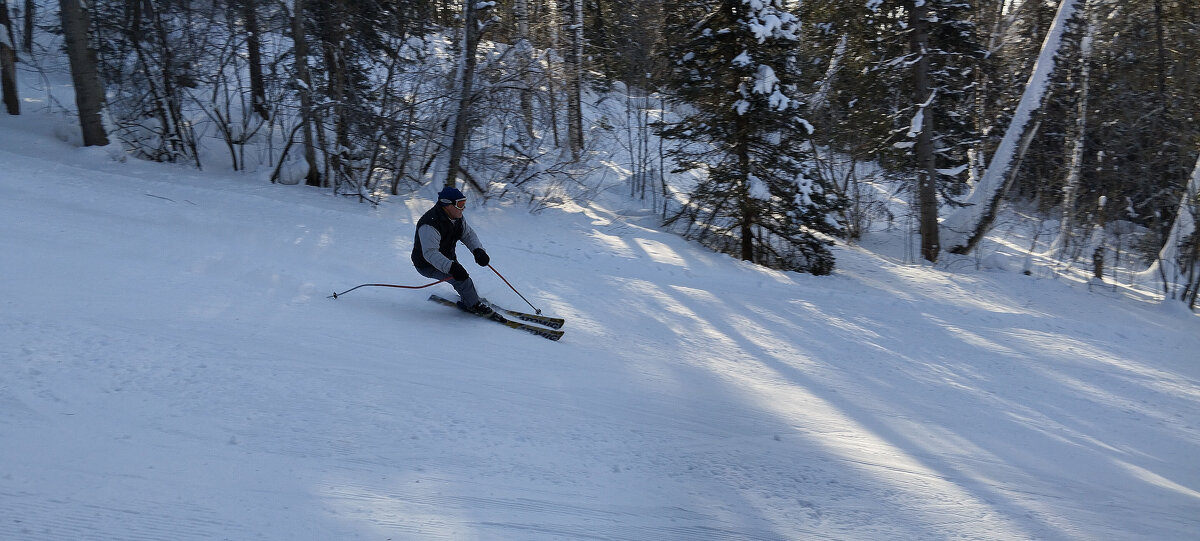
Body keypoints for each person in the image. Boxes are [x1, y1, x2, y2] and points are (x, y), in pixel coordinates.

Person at [412, 186, 495, 316]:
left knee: (461, 276)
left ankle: (469, 296)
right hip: (427, 264)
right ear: (447, 205)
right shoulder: (429, 224)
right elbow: (430, 253)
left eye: (464, 203)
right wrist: (451, 267)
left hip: (446, 258)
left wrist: (478, 250)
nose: (464, 208)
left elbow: (467, 235)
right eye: (460, 204)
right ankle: (472, 305)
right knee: (462, 279)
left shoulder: (457, 218)